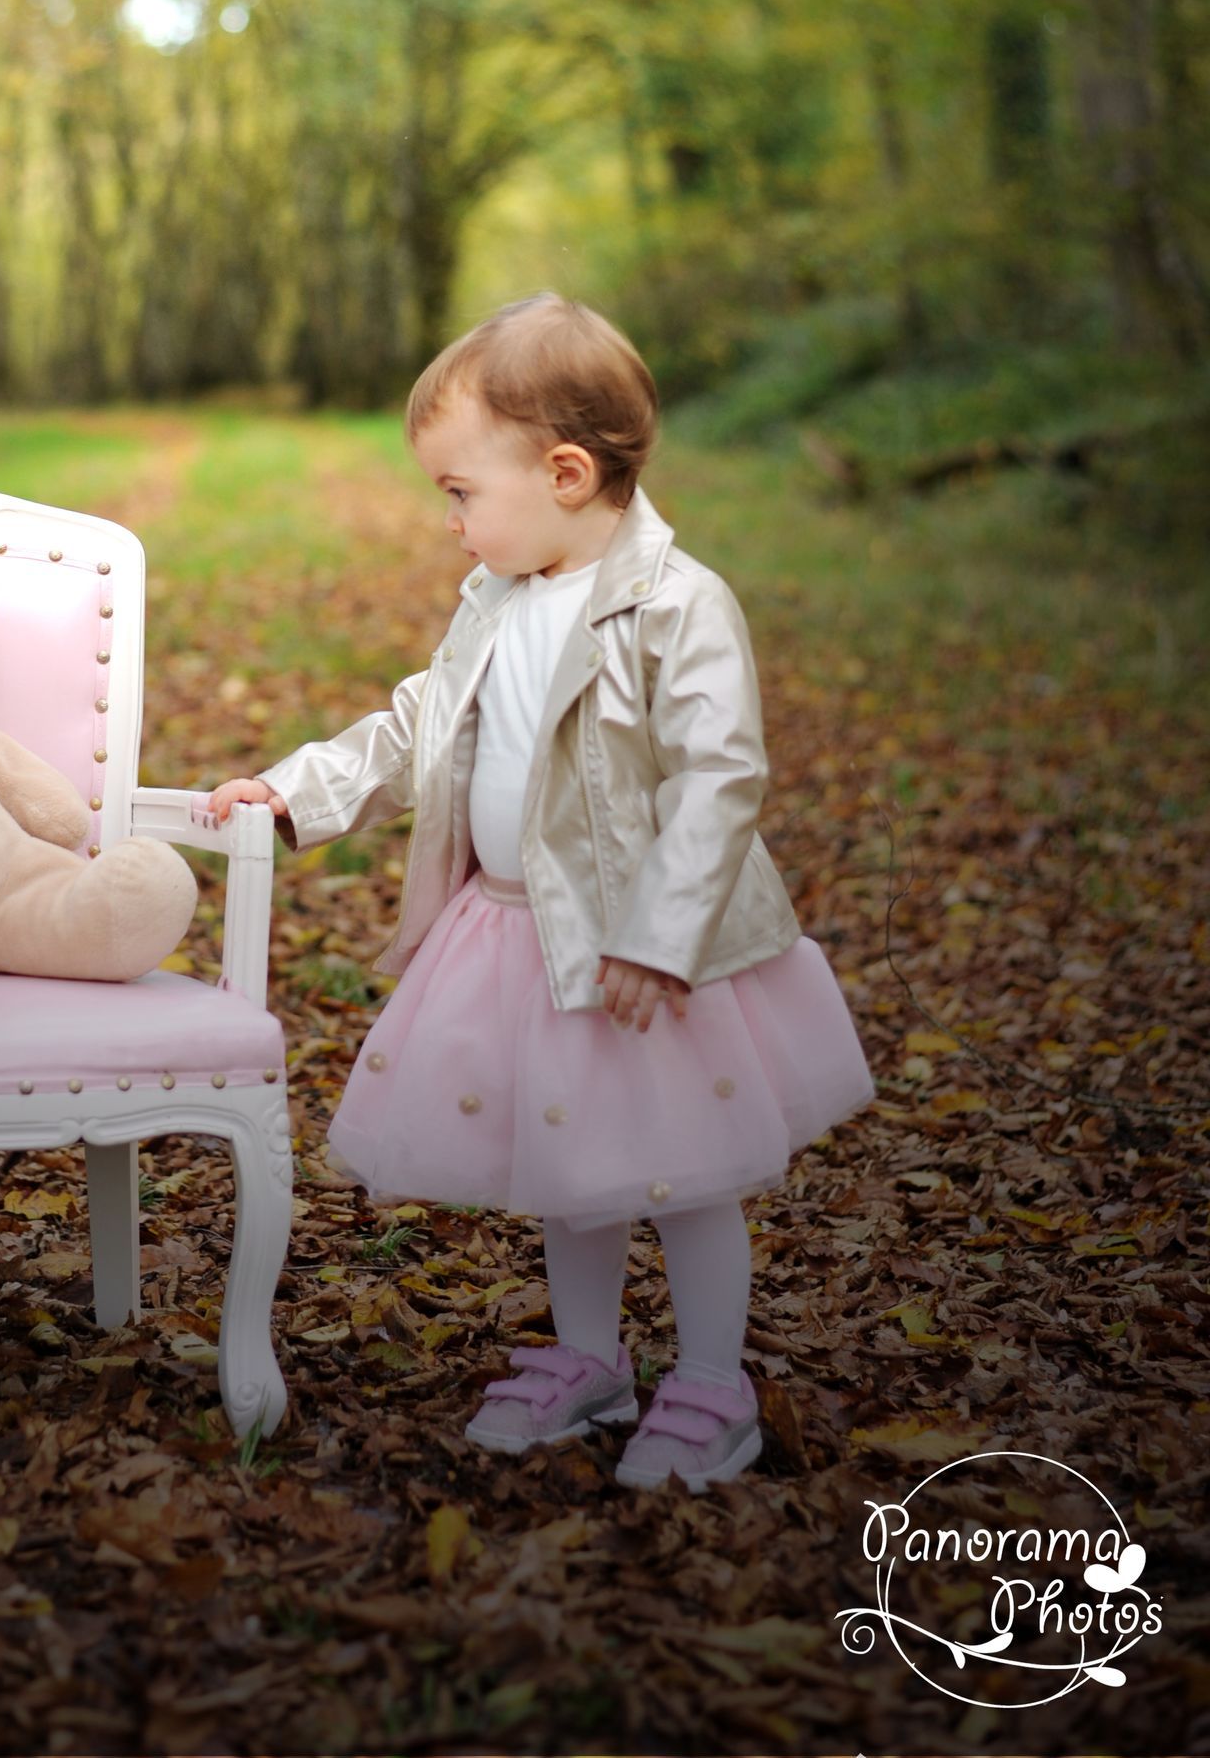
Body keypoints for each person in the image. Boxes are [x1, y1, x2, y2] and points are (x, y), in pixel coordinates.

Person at [203, 293, 875, 1491]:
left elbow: (719, 777)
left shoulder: (675, 606)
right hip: (521, 939)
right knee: (579, 1165)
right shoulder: (497, 602)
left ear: (566, 473)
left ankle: (713, 1382)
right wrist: (295, 793)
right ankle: (591, 1357)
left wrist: (663, 936)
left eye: (462, 493)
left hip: (650, 955)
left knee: (685, 1169)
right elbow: (418, 730)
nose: (451, 524)